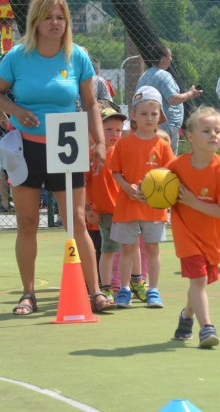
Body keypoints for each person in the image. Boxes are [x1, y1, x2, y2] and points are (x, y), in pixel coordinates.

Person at [0, 0, 115, 315]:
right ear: (35, 21)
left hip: (66, 146)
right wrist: (16, 111)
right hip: (26, 148)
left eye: (60, 17)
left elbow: (90, 104)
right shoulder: (17, 57)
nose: (55, 23)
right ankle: (28, 294)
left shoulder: (77, 56)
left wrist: (99, 142)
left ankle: (95, 291)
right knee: (27, 222)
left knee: (76, 222)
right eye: (48, 17)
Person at [168, 106, 220, 348]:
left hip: (210, 237)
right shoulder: (176, 167)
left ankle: (187, 315)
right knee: (198, 281)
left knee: (200, 282)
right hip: (185, 234)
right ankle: (207, 328)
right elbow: (157, 188)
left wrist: (194, 202)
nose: (213, 135)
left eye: (218, 130)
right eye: (206, 130)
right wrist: (145, 193)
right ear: (190, 136)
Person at [110, 85, 175, 308]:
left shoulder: (164, 146)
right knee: (127, 249)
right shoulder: (123, 144)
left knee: (152, 248)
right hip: (127, 205)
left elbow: (169, 177)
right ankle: (125, 289)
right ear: (134, 115)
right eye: (144, 113)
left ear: (160, 117)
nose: (149, 118)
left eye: (154, 114)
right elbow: (115, 172)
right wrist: (128, 188)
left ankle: (153, 289)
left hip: (154, 208)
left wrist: (154, 193)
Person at [85, 106, 127, 302]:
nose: (114, 134)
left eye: (118, 130)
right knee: (97, 251)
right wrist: (87, 209)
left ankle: (117, 286)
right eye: (108, 129)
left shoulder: (123, 154)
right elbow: (83, 184)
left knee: (117, 252)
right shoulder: (91, 155)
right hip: (98, 216)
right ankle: (97, 288)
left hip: (120, 214)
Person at [136, 44, 202, 155]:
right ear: (163, 58)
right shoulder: (164, 75)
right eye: (170, 56)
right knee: (168, 156)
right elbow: (173, 99)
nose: (171, 59)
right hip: (167, 125)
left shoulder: (144, 76)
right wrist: (190, 94)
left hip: (148, 125)